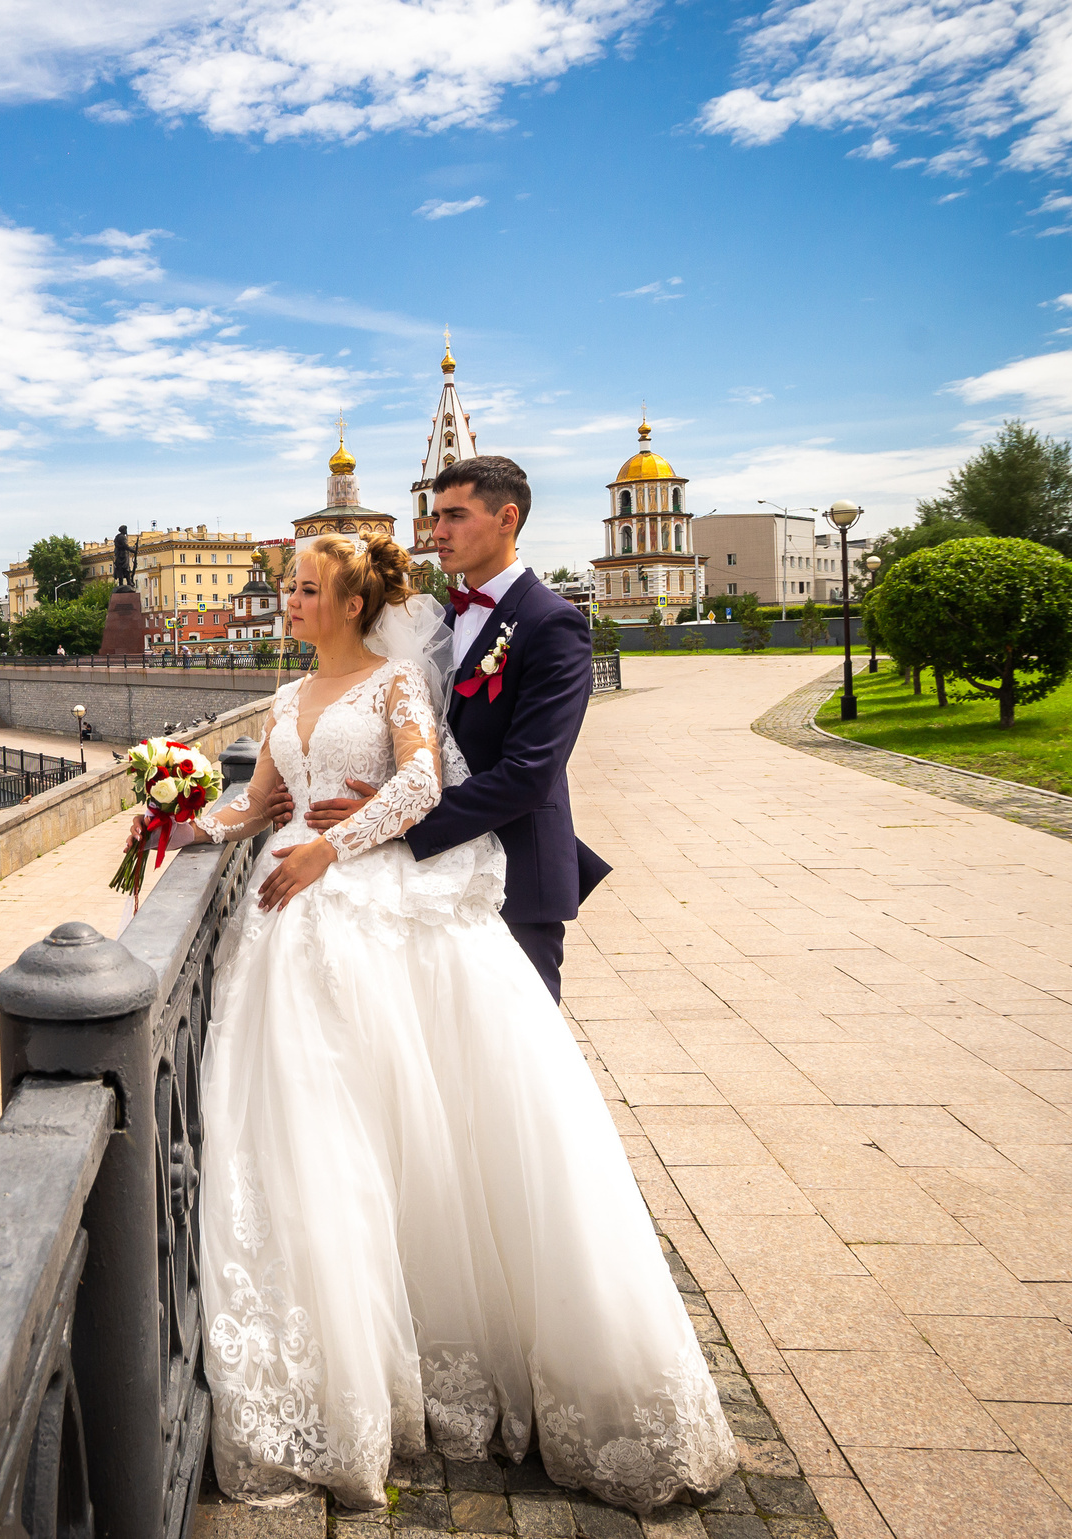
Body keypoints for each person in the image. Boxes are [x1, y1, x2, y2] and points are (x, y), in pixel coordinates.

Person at [135, 532, 730, 1516]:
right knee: (312, 1135)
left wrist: (331, 848)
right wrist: (177, 809)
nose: (288, 599)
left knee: (399, 1121)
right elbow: (260, 801)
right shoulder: (288, 698)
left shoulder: (391, 687)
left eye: (305, 588)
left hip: (365, 911)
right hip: (289, 925)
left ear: (352, 604)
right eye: (289, 587)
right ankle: (344, 1358)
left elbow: (417, 785)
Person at [298, 456, 607, 1002]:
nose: (436, 531)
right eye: (435, 516)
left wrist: (393, 820)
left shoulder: (551, 623)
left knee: (521, 1059)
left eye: (455, 516)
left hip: (514, 872)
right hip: (426, 880)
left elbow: (529, 774)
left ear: (507, 518)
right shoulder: (439, 619)